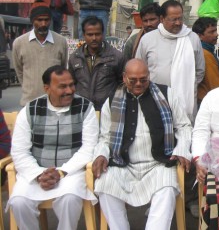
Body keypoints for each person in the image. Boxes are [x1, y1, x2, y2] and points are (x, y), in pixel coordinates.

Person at [92, 59, 192, 230]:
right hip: (123, 164)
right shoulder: (111, 100)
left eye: (143, 79)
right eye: (133, 80)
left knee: (167, 188)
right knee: (104, 184)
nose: (138, 83)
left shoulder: (166, 94)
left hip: (158, 163)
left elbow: (183, 126)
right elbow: (104, 136)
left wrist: (182, 150)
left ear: (149, 76)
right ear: (124, 78)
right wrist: (101, 154)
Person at [8, 66, 98, 230]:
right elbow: (20, 151)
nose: (69, 90)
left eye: (71, 85)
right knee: (19, 202)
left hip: (70, 173)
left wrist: (61, 172)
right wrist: (38, 174)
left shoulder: (85, 108)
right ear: (47, 88)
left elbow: (88, 148)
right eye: (63, 87)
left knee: (70, 199)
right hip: (36, 173)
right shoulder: (30, 109)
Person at [136, 0, 205, 123]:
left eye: (180, 18)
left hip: (186, 103)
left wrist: (186, 85)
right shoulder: (147, 40)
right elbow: (138, 69)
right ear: (162, 19)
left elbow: (199, 71)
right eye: (173, 19)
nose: (178, 23)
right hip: (155, 100)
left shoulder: (192, 38)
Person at [12, 0, 68, 106]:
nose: (43, 23)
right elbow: (19, 72)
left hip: (54, 102)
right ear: (32, 21)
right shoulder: (19, 43)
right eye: (39, 20)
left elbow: (62, 67)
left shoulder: (61, 41)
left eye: (46, 20)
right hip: (29, 103)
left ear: (50, 20)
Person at [68, 16, 125, 111]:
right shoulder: (75, 58)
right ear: (84, 35)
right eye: (90, 34)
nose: (94, 38)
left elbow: (123, 84)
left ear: (103, 34)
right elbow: (71, 83)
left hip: (108, 110)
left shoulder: (117, 57)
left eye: (97, 34)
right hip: (82, 110)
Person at [192, 17, 219, 105]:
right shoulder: (205, 54)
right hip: (208, 101)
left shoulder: (201, 50)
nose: (216, 34)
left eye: (216, 30)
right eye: (211, 32)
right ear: (199, 36)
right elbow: (216, 86)